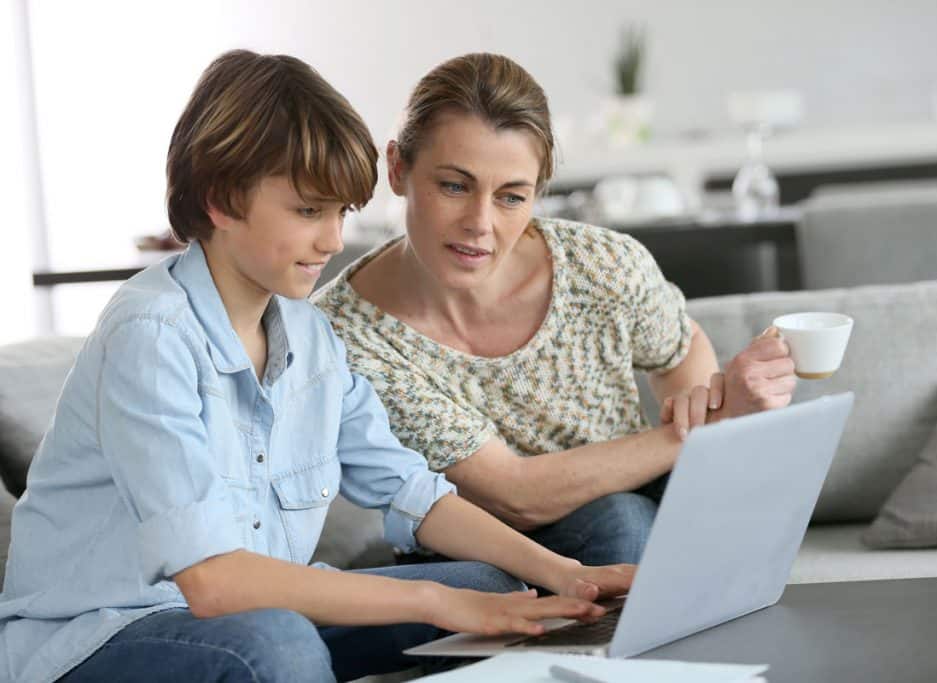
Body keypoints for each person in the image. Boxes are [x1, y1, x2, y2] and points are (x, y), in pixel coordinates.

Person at [0, 50, 634, 683]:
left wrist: (564, 575)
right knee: (276, 645)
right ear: (222, 198)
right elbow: (214, 583)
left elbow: (411, 492)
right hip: (103, 638)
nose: (332, 241)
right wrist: (433, 600)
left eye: (341, 214)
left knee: (493, 587)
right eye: (308, 211)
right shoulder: (152, 335)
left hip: (260, 615)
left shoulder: (311, 337)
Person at [313, 52, 797, 568]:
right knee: (622, 522)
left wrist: (699, 417)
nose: (481, 223)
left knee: (663, 508)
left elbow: (680, 349)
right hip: (478, 558)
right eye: (454, 186)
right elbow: (513, 496)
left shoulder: (603, 266)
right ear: (397, 168)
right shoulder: (346, 337)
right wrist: (707, 427)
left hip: (632, 510)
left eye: (511, 197)